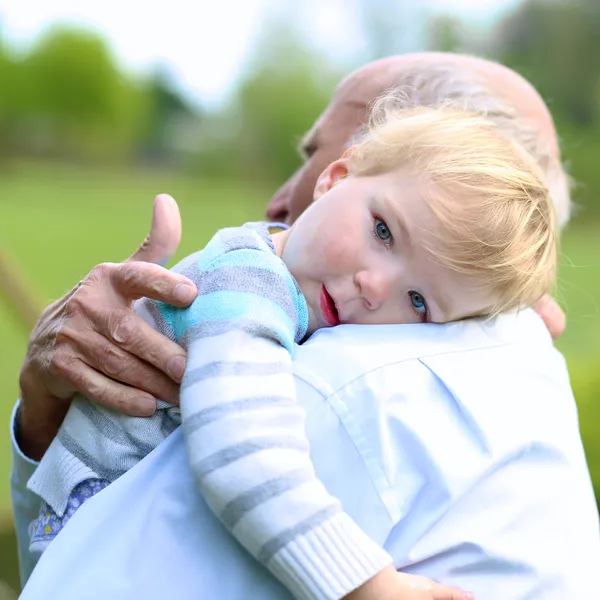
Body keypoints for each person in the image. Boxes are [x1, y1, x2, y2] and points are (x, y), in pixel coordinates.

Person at [13, 54, 598, 599]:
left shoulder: (348, 383)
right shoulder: (251, 286)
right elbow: (241, 448)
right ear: (339, 178)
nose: (273, 203)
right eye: (383, 230)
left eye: (420, 300)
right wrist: (365, 584)